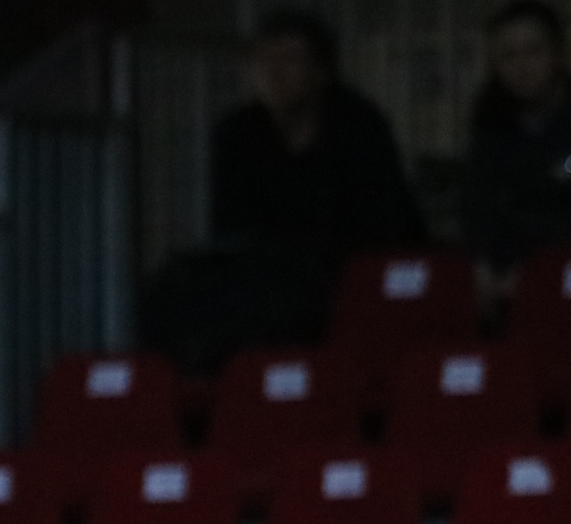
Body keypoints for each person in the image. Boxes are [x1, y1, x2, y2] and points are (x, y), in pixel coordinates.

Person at [143, 9, 426, 370]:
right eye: (263, 61)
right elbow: (233, 222)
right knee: (172, 290)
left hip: (349, 266)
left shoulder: (358, 125)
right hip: (270, 270)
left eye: (290, 60)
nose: (274, 73)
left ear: (322, 71)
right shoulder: (239, 131)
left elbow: (381, 220)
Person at [463, 0, 571, 295]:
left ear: (559, 54)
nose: (522, 66)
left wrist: (533, 268)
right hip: (505, 283)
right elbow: (479, 207)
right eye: (508, 55)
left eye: (534, 51)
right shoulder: (491, 125)